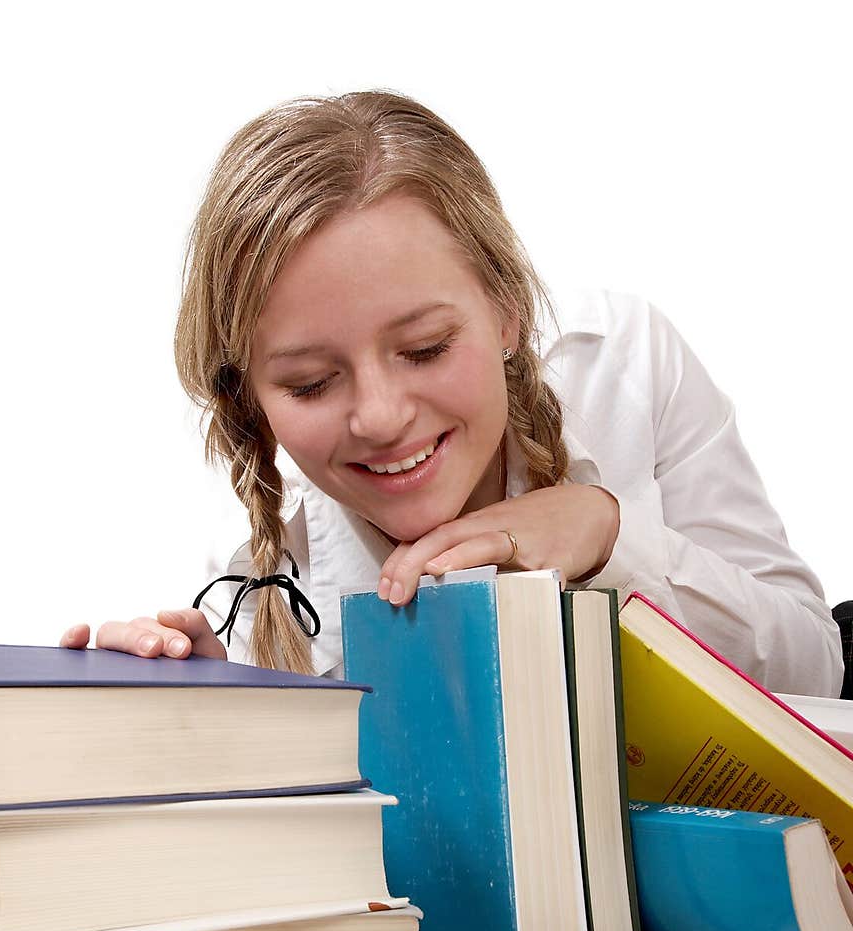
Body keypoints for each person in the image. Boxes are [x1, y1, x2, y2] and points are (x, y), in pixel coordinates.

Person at [62, 90, 843, 697]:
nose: (382, 416)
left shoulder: (623, 366)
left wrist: (610, 537)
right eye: (309, 383)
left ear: (508, 310)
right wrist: (223, 726)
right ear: (250, 399)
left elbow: (818, 671)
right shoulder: (258, 581)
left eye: (426, 348)